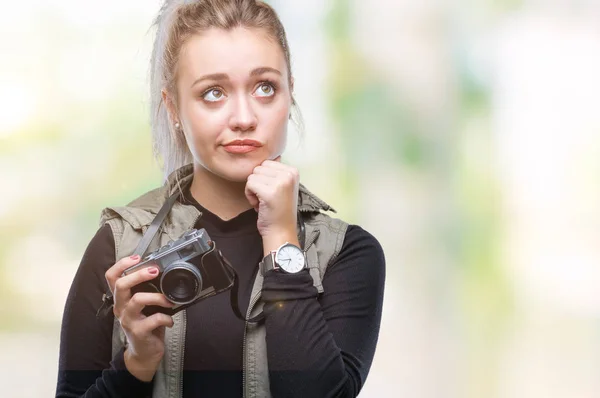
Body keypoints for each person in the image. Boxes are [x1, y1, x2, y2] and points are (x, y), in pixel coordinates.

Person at [55, 0, 385, 397]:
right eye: (213, 93)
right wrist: (137, 363)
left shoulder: (345, 253)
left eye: (265, 87)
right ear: (173, 107)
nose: (244, 117)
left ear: (290, 94)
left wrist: (281, 239)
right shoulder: (121, 244)